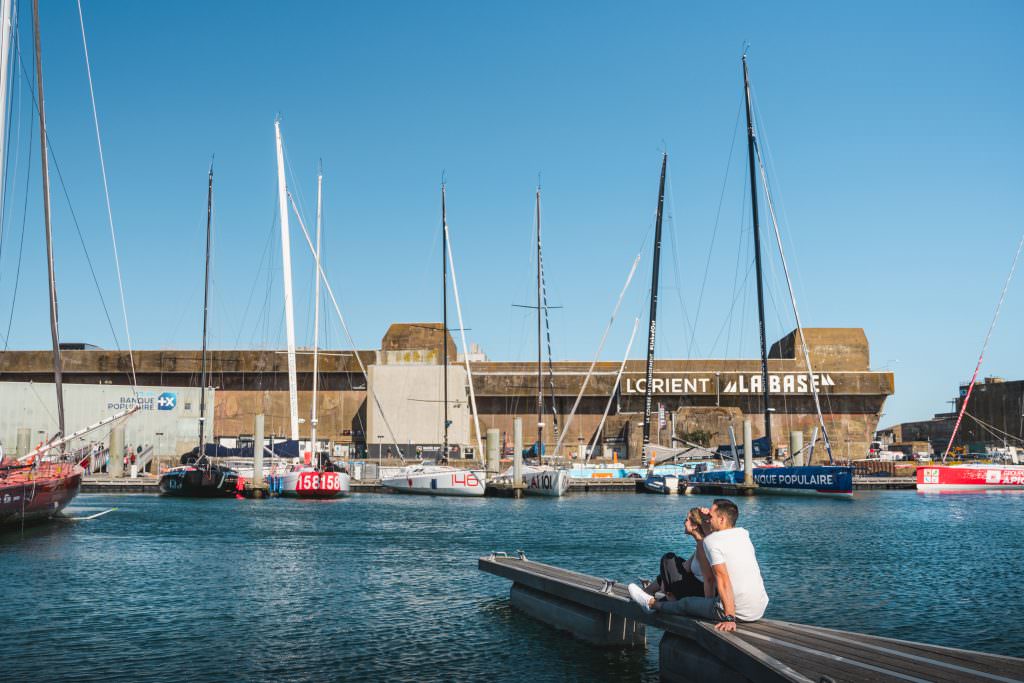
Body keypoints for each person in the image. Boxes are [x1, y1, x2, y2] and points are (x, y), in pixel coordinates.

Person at [628, 498, 768, 632]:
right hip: (758, 610)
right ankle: (653, 595)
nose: (708, 517)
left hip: (736, 612)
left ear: (722, 519)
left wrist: (729, 617)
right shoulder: (743, 535)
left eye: (710, 516)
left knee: (686, 604)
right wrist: (708, 519)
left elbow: (722, 578)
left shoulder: (712, 542)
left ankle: (651, 604)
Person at [641, 508, 713, 600]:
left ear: (694, 525)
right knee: (676, 563)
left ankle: (670, 597)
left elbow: (709, 579)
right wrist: (665, 577)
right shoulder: (700, 545)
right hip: (696, 587)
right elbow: (685, 567)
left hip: (700, 592)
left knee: (668, 559)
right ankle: (648, 592)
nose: (684, 522)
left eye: (686, 520)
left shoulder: (704, 545)